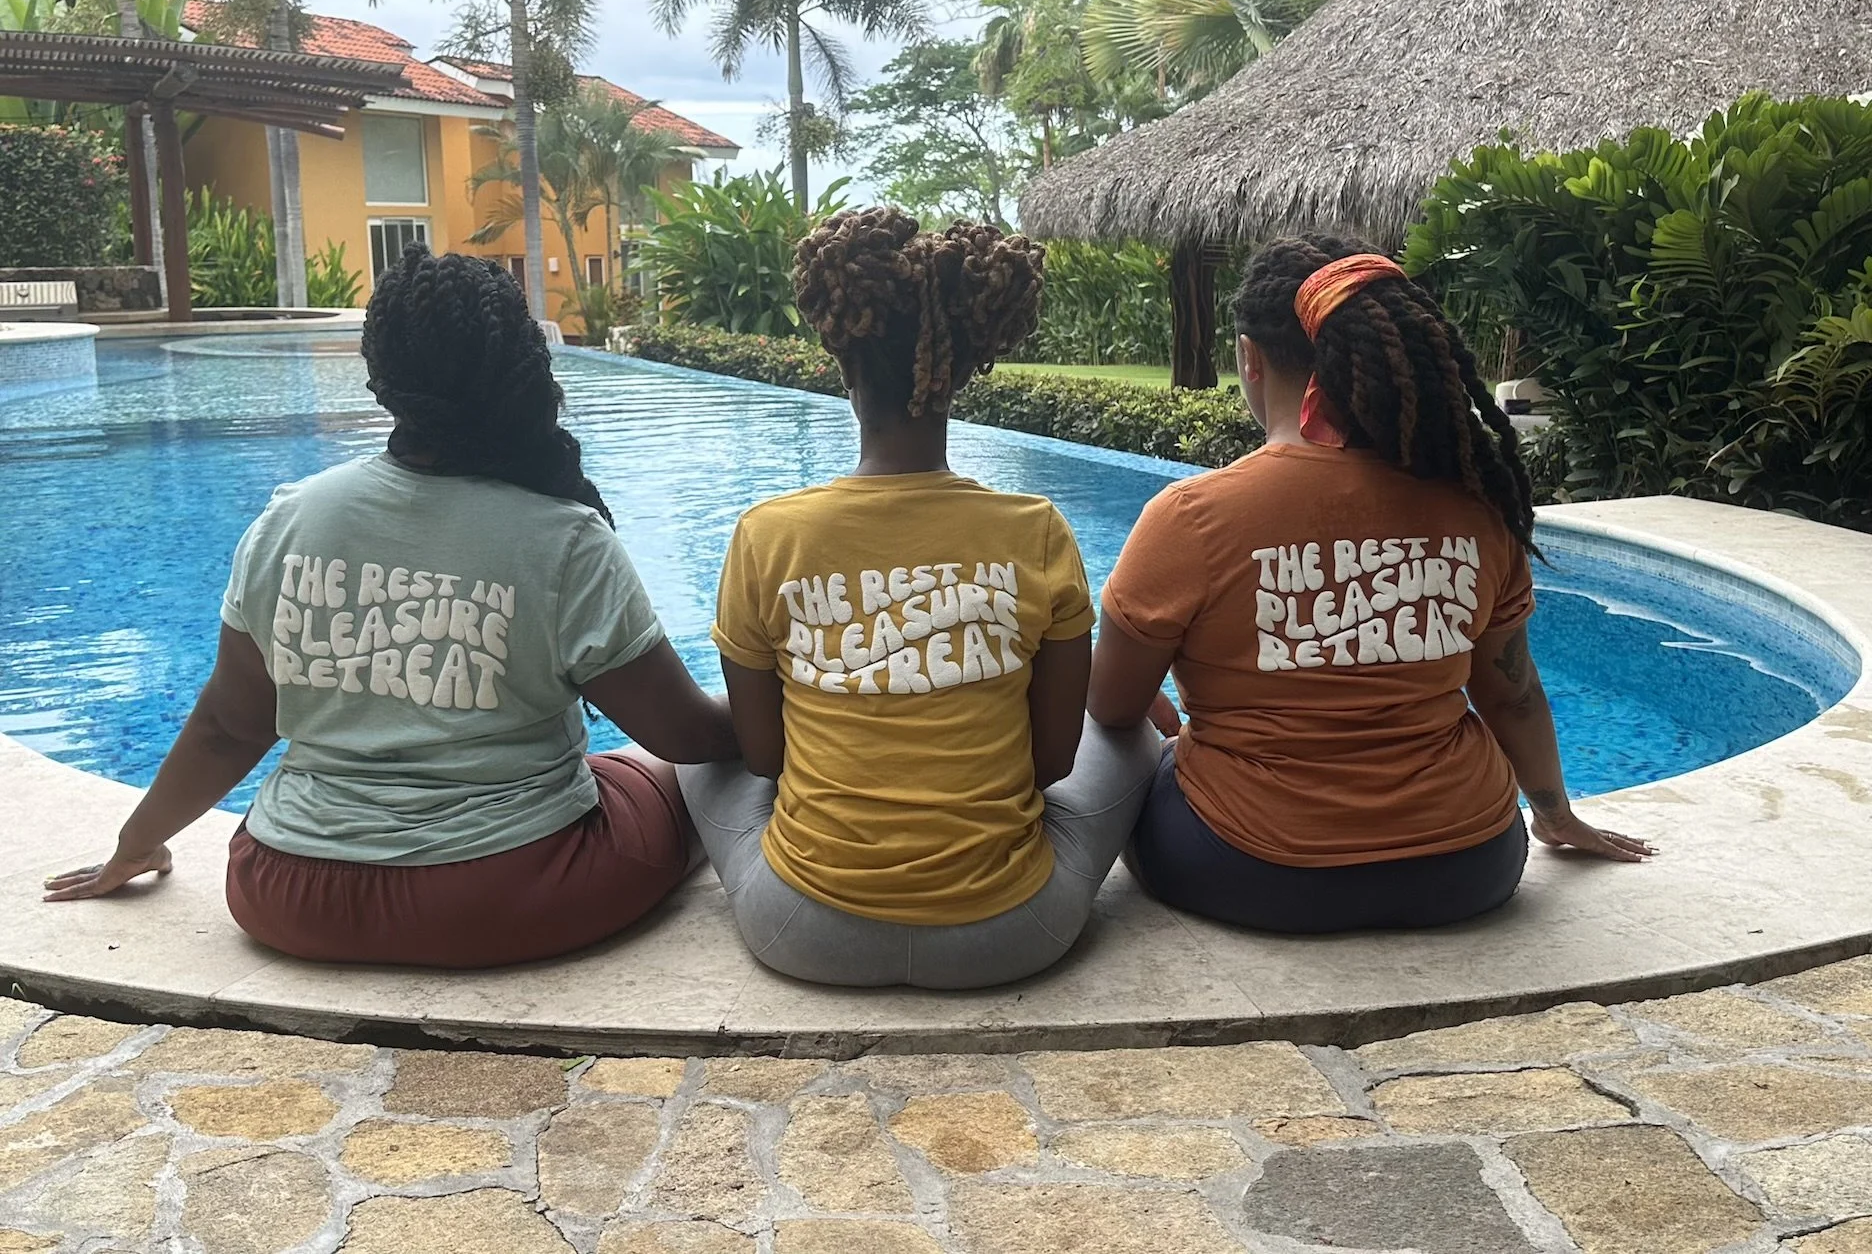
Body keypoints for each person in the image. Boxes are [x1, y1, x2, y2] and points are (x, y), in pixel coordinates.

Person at [43, 247, 740, 968]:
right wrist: (784, 704)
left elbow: (227, 727)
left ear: (380, 376)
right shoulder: (564, 539)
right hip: (508, 891)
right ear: (525, 365)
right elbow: (684, 733)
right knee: (678, 779)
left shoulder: (290, 520)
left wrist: (136, 842)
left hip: (286, 892)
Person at [1089, 235, 1652, 935]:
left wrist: (1174, 733)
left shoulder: (1192, 516)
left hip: (1252, 871)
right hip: (1469, 865)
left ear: (1249, 357)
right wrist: (1556, 814)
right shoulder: (1478, 507)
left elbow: (1112, 707)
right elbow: (1511, 693)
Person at [686, 207, 1161, 989]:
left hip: (803, 929)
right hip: (1013, 933)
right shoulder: (1036, 531)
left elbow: (764, 759)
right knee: (1136, 731)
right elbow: (1052, 764)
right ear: (965, 367)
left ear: (844, 364)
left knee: (687, 751)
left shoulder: (768, 536)